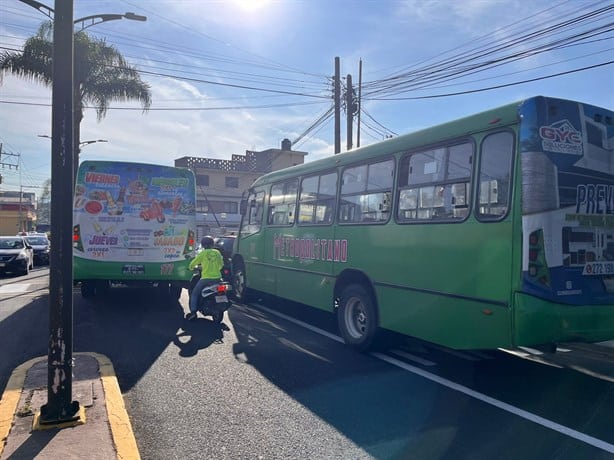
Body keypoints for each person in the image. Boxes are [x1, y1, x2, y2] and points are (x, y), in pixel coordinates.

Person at [186, 236, 224, 321]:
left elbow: (193, 263)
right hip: (218, 278)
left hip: (205, 279)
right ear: (212, 244)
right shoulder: (217, 252)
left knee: (194, 294)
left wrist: (191, 268)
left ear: (203, 245)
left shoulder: (203, 253)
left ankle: (193, 313)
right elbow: (221, 264)